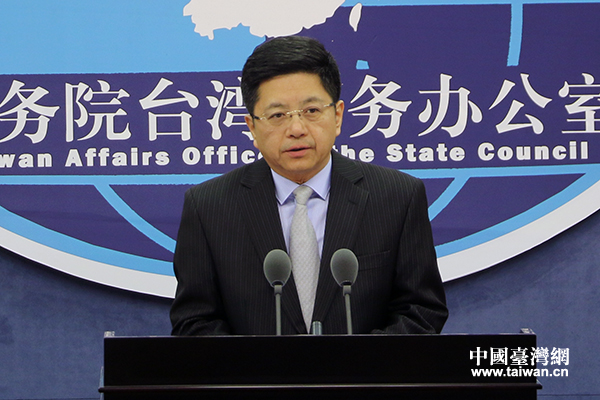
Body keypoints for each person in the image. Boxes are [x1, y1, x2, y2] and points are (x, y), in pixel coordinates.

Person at [170, 36, 448, 335]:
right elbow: (194, 322)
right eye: (278, 115)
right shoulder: (209, 207)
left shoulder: (397, 197)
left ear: (337, 116)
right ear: (252, 127)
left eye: (311, 111)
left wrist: (356, 361)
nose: (297, 129)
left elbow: (420, 312)